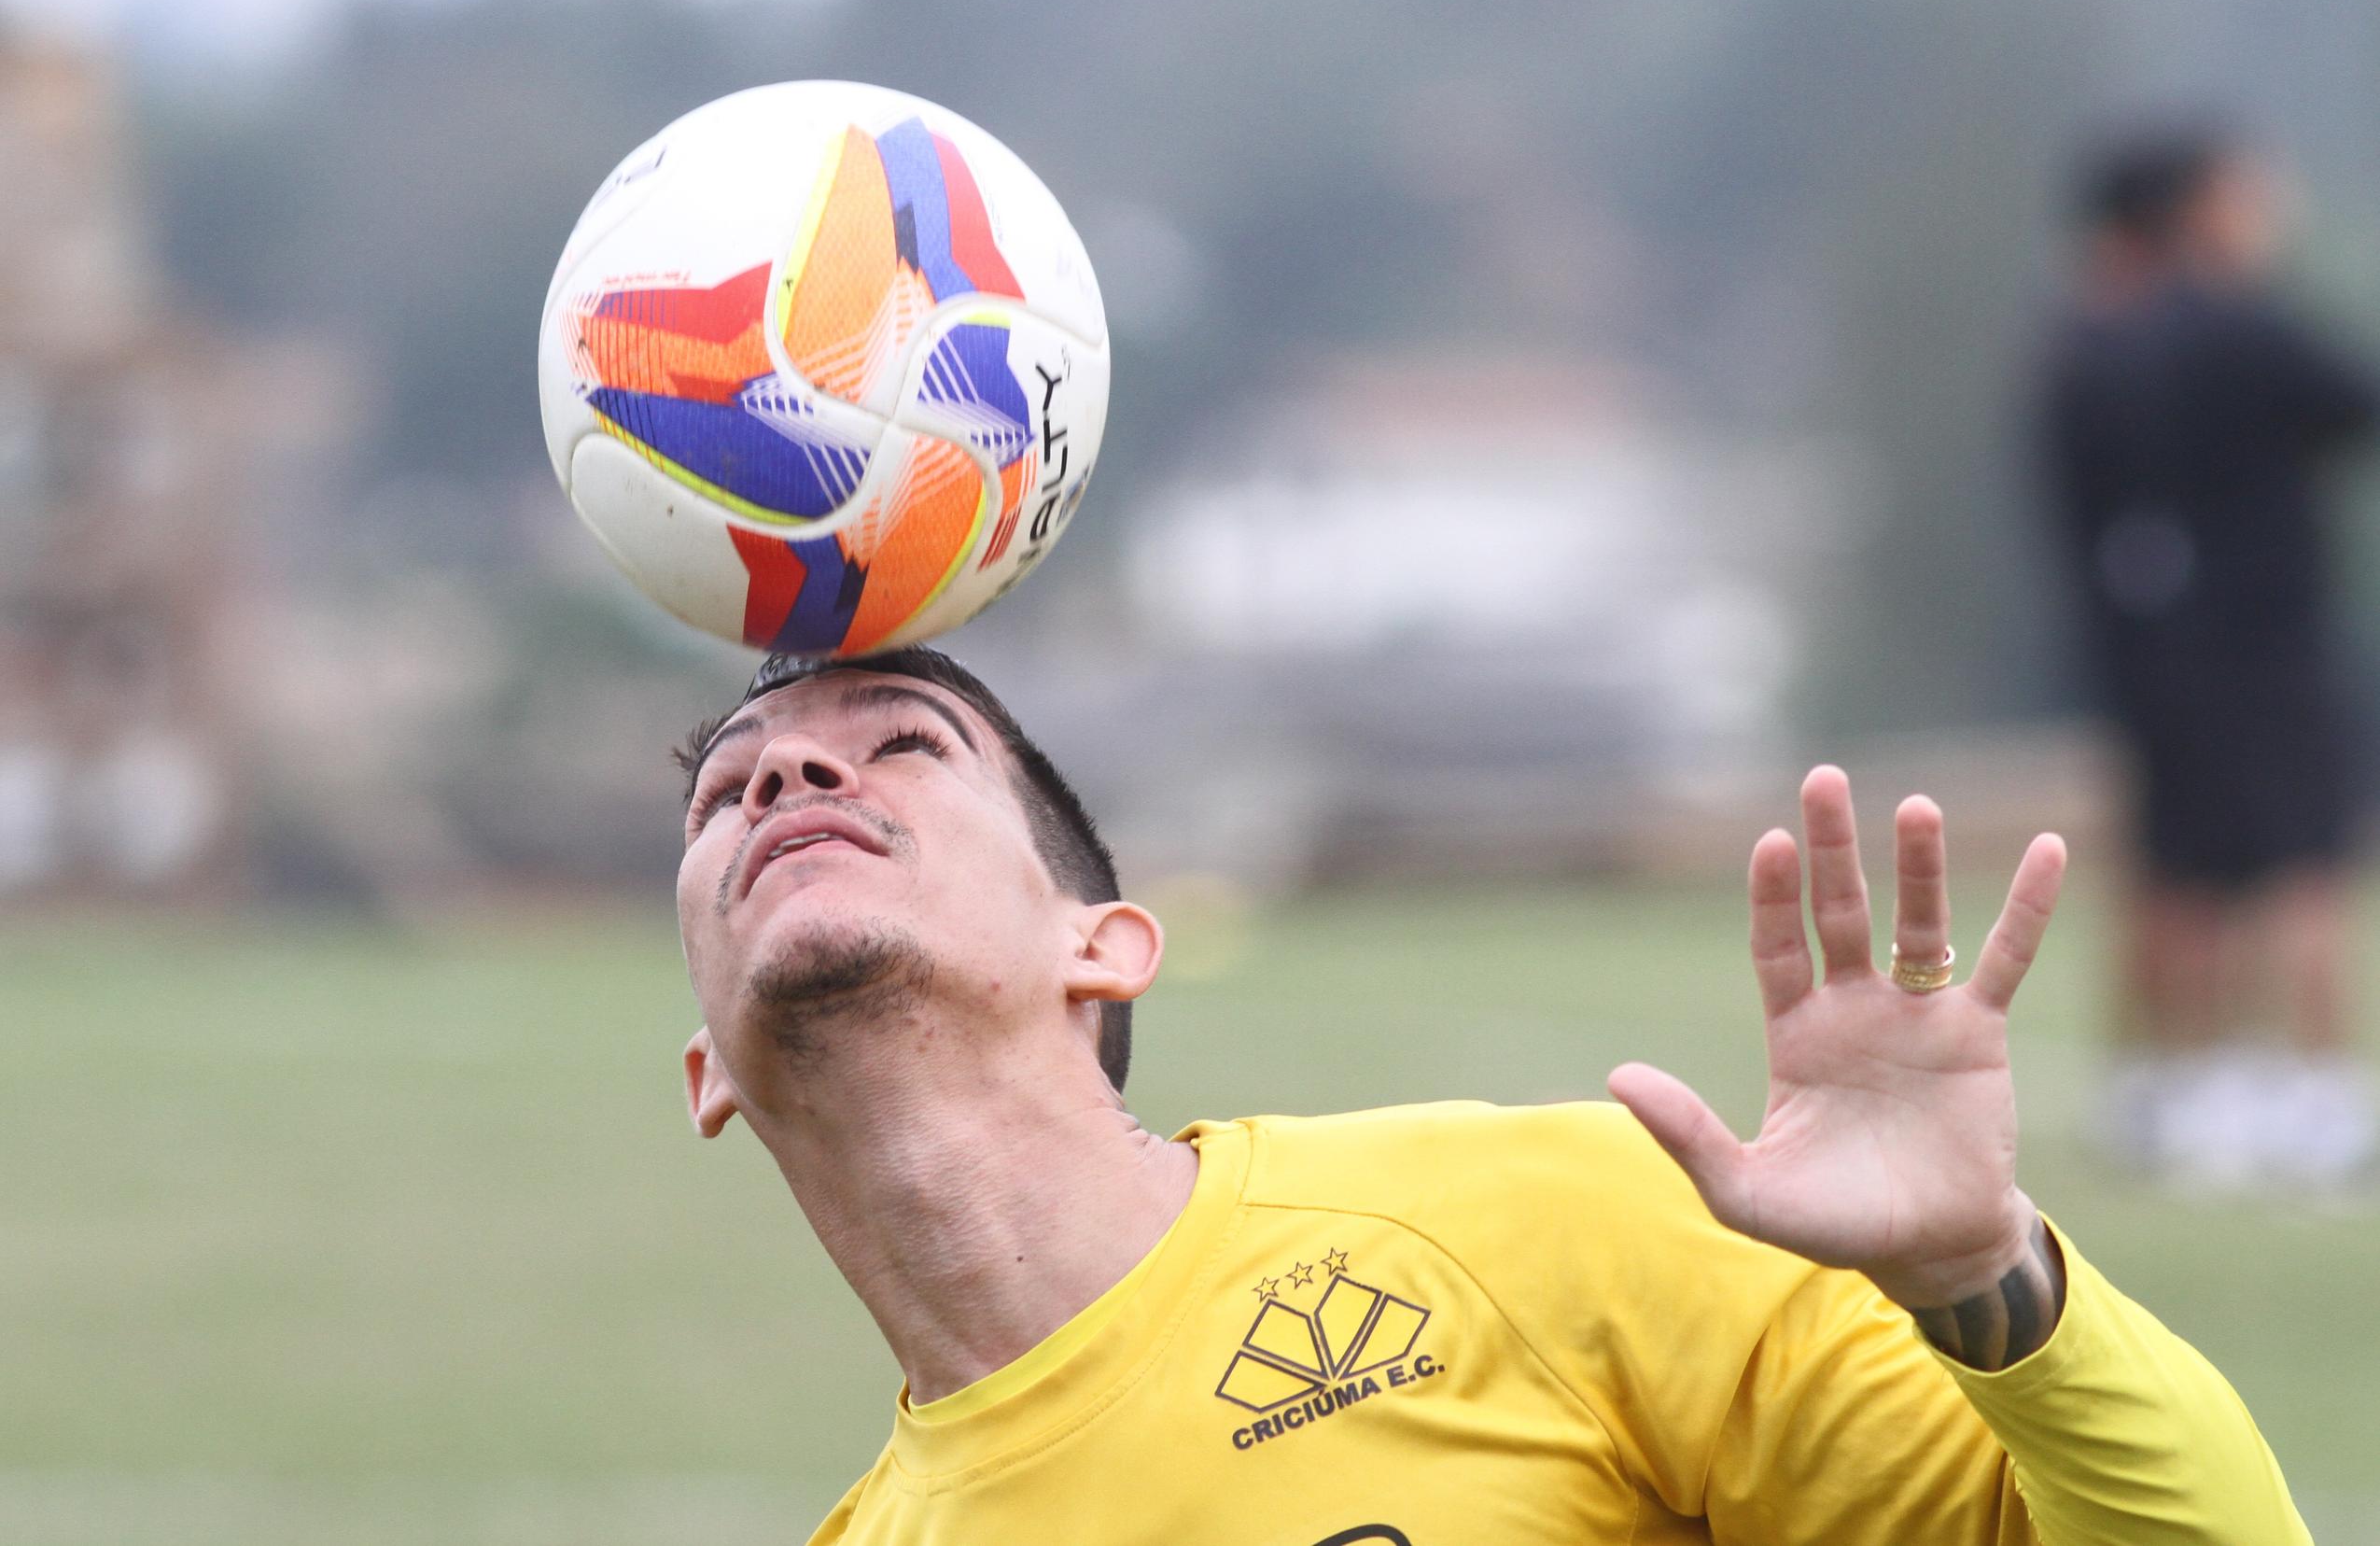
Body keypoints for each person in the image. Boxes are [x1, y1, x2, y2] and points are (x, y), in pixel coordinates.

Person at [673, 646, 2309, 1544]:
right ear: (706, 1070)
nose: (790, 776)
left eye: (905, 745)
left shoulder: (1555, 1224)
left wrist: (1984, 1278)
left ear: (1104, 943)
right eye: (727, 794)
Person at [2040, 125, 2380, 1188]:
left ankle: (2185, 1090)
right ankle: (2314, 1094)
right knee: (2302, 865)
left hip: (2154, 655)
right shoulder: (2240, 328)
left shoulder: (2087, 348)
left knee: (2181, 872)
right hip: (2270, 645)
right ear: (2197, 211)